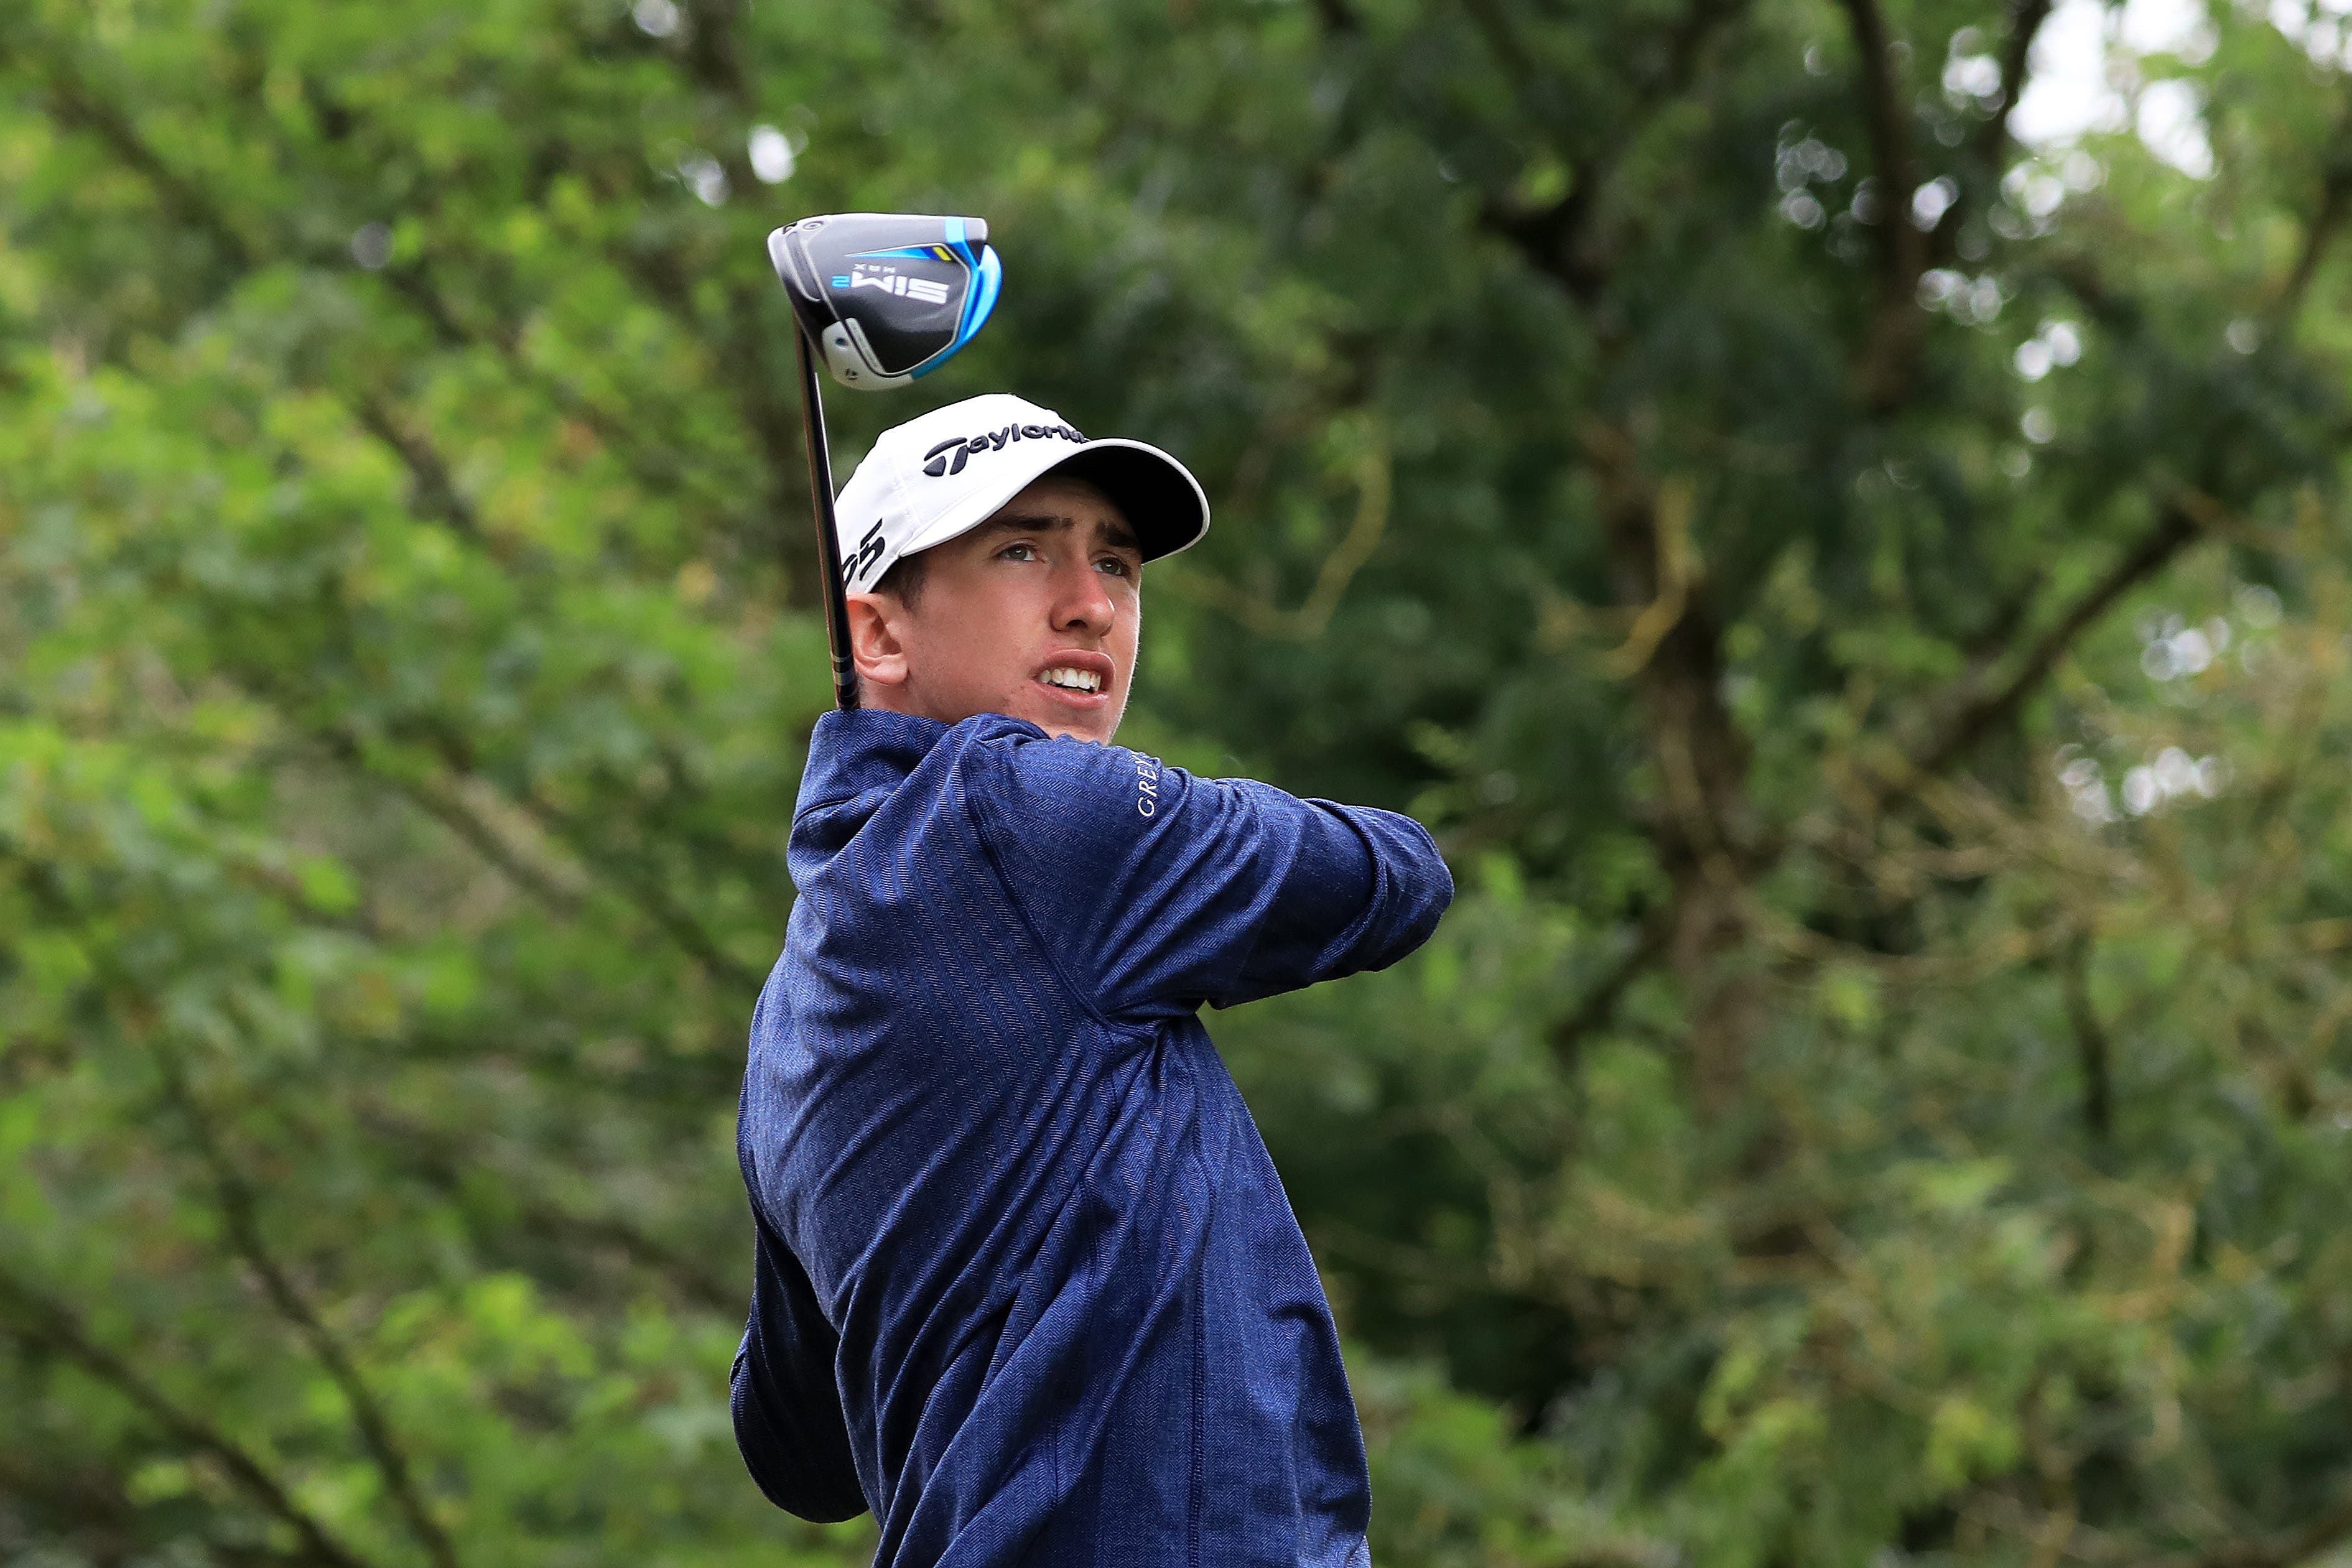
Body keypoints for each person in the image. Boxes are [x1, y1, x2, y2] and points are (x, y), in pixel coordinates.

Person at [731, 392, 1454, 1567]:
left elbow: (799, 1450)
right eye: (1022, 548)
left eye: (1114, 562)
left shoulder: (784, 1023)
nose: (1090, 603)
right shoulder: (1017, 808)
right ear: (878, 635)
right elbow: (1394, 874)